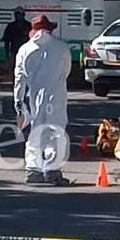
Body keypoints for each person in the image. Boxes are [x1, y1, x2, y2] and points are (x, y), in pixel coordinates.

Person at [14, 14, 72, 185]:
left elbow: (19, 78)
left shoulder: (24, 50)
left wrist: (18, 101)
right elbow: (66, 71)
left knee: (35, 130)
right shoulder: (61, 48)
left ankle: (34, 169)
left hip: (34, 96)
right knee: (56, 131)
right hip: (56, 95)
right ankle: (52, 169)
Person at [2, 6, 30, 72]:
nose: (18, 16)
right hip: (14, 52)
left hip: (26, 52)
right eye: (16, 14)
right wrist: (7, 56)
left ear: (23, 15)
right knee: (14, 70)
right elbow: (6, 42)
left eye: (20, 14)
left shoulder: (28, 26)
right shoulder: (10, 26)